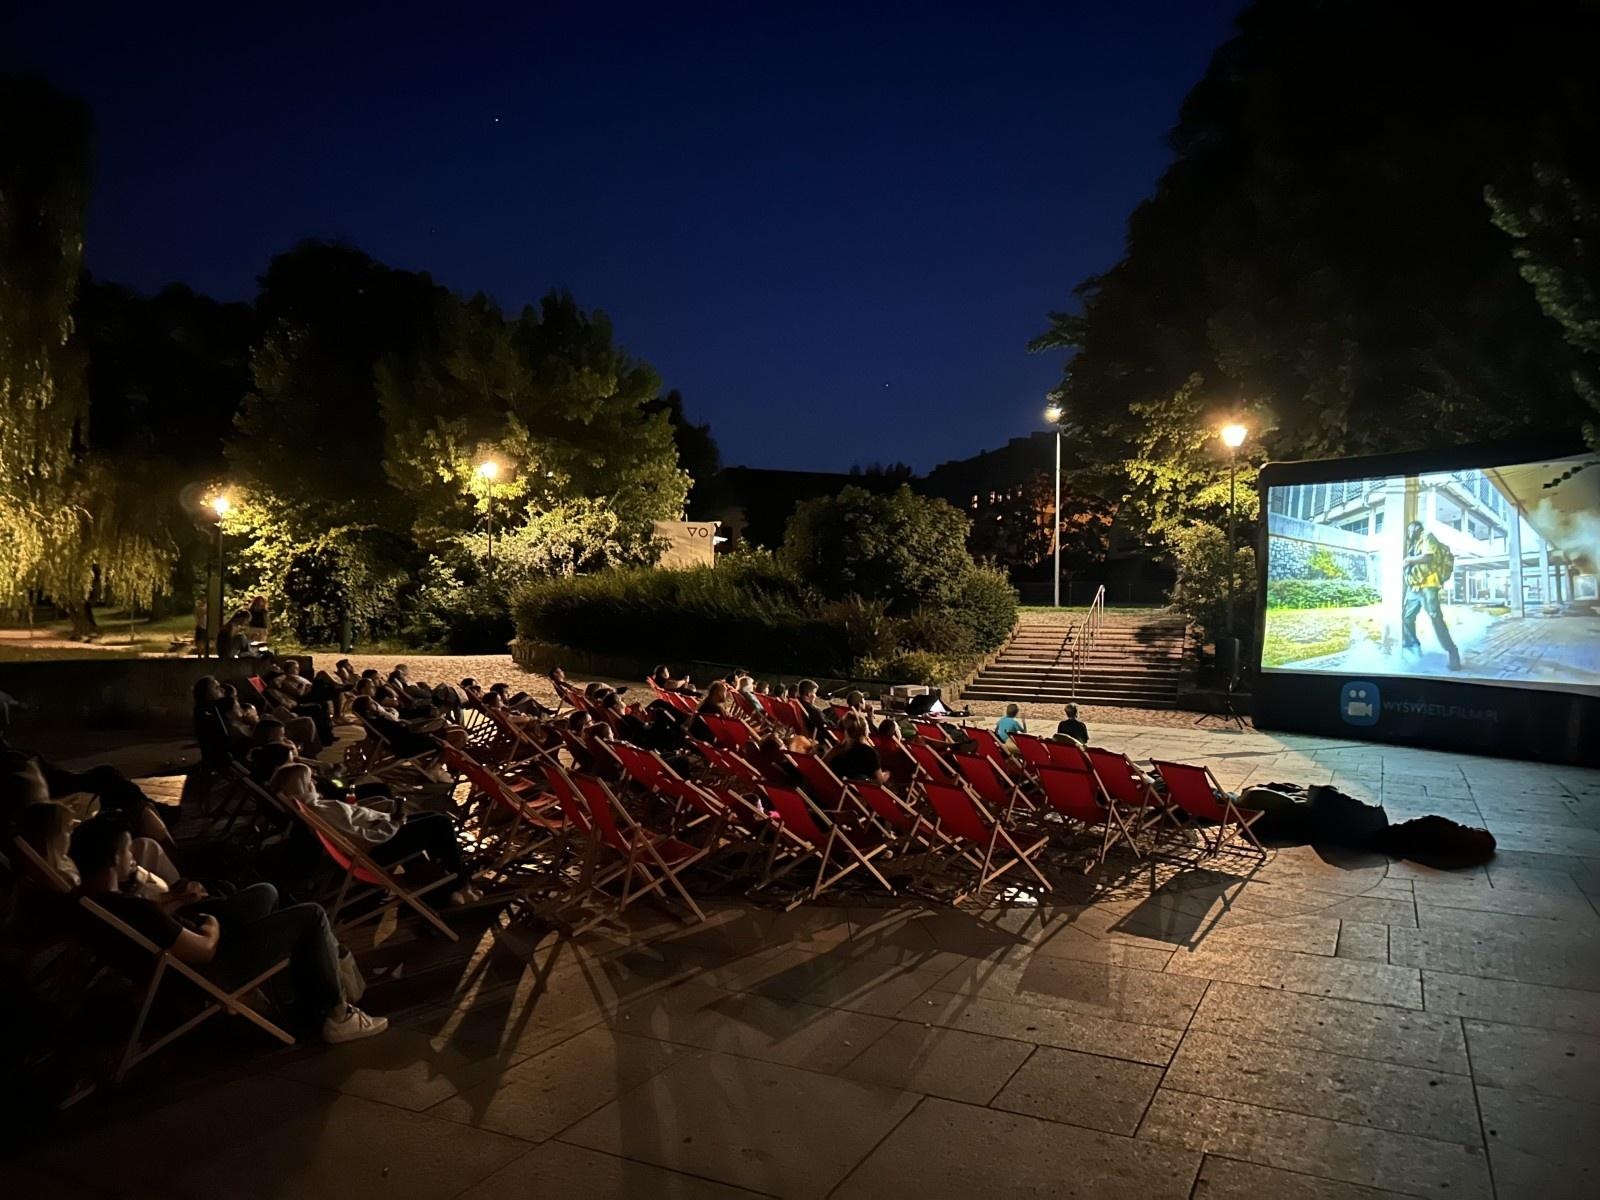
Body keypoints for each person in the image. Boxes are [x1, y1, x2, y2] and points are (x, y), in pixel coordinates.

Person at [68, 813, 386, 1043]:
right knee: (311, 915)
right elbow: (204, 951)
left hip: (183, 967)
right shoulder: (132, 908)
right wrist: (213, 926)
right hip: (204, 976)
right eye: (127, 851)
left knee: (265, 893)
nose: (132, 857)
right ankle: (337, 1013)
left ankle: (298, 991)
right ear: (113, 858)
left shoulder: (89, 902)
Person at [272, 763, 478, 904]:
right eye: (311, 782)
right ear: (303, 785)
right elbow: (362, 837)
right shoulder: (321, 810)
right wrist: (393, 824)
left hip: (376, 836)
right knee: (439, 823)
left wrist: (387, 818)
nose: (315, 784)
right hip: (377, 849)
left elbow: (354, 824)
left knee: (431, 817)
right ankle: (459, 884)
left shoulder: (314, 807)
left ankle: (446, 883)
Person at [19, 800, 183, 900]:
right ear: (53, 837)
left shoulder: (55, 862)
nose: (72, 832)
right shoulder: (65, 877)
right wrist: (171, 897)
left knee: (146, 845)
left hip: (114, 881)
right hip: (124, 894)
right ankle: (180, 879)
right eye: (67, 830)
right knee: (147, 845)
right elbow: (115, 904)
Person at [1402, 520, 1462, 671]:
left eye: (1410, 529)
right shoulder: (1414, 544)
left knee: (1436, 618)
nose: (1408, 532)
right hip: (1414, 587)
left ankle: (1452, 652)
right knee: (1407, 617)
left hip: (1429, 585)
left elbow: (1428, 557)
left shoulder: (1427, 536)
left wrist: (1408, 560)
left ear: (1416, 528)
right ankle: (1413, 645)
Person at [824, 712, 885, 782]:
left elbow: (820, 767)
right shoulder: (870, 753)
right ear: (865, 732)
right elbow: (879, 781)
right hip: (859, 791)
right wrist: (886, 775)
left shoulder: (836, 751)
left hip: (835, 789)